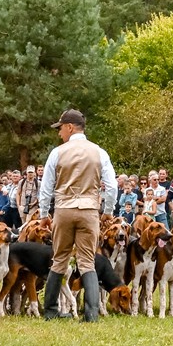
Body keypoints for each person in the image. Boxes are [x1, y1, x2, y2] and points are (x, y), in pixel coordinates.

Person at [38, 109, 117, 322]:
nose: (59, 133)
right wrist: (108, 211)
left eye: (61, 128)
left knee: (59, 259)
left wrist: (44, 213)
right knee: (87, 261)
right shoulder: (100, 152)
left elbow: (46, 188)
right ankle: (91, 313)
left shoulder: (58, 153)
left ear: (70, 127)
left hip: (63, 209)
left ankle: (51, 310)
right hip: (89, 210)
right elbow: (112, 187)